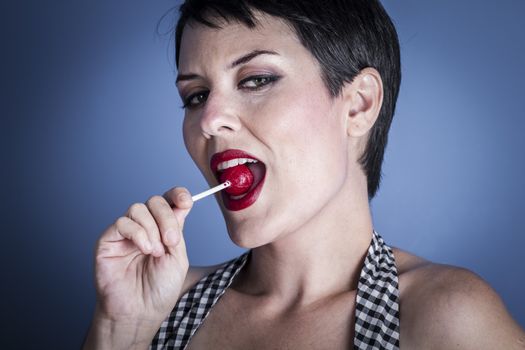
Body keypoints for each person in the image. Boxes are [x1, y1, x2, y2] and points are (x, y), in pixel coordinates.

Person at [82, 0, 525, 349]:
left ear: (358, 104)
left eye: (255, 79)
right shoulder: (159, 304)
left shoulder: (447, 317)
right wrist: (122, 329)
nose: (209, 120)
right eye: (196, 95)